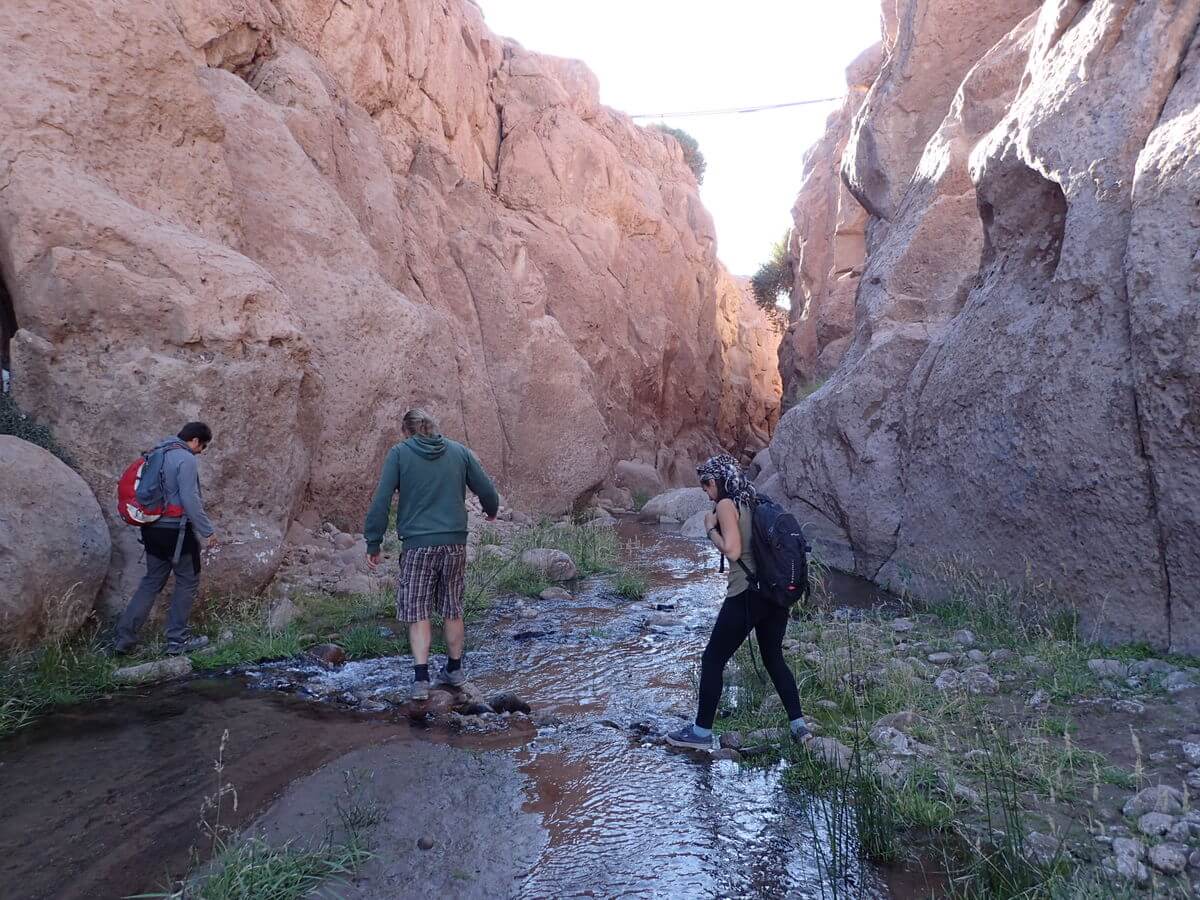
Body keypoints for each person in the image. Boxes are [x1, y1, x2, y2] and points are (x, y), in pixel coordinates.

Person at [666, 454, 810, 749]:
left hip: (746, 594)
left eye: (707, 484)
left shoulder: (726, 505)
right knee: (774, 658)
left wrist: (710, 529)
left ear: (718, 481)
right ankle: (799, 727)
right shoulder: (754, 500)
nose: (706, 490)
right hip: (774, 593)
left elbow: (732, 551)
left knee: (712, 659)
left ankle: (701, 734)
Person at [364, 408, 500, 700]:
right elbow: (487, 490)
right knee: (452, 606)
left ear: (406, 431)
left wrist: (373, 542)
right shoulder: (459, 451)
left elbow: (382, 499)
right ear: (434, 428)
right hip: (454, 543)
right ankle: (454, 670)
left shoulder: (400, 454)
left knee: (418, 610)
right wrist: (492, 511)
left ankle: (421, 679)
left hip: (417, 545)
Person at [114, 422, 217, 656]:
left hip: (151, 528)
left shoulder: (157, 452)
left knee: (151, 581)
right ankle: (176, 641)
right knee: (187, 581)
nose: (201, 451)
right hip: (176, 531)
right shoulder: (185, 458)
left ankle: (124, 640)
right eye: (203, 446)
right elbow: (190, 499)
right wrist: (208, 531)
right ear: (195, 441)